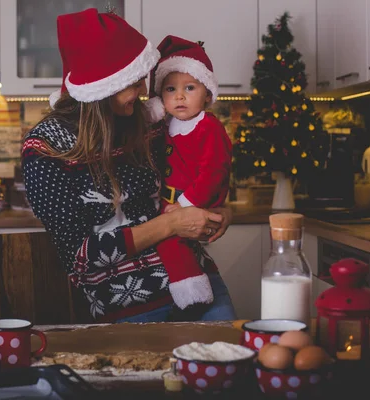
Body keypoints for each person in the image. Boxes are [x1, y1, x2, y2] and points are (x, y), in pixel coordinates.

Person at [22, 8, 236, 323]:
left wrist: (219, 210)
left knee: (230, 367)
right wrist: (171, 225)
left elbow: (193, 174)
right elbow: (80, 257)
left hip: (200, 284)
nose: (143, 91)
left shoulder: (146, 122)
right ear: (104, 85)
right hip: (127, 306)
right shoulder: (46, 148)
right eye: (134, 82)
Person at [144, 36, 233, 316]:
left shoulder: (209, 127)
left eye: (189, 88)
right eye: (170, 89)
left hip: (196, 199)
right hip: (173, 201)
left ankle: (193, 292)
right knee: (167, 239)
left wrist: (185, 206)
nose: (179, 96)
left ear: (207, 94)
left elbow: (213, 172)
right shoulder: (166, 125)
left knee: (173, 241)